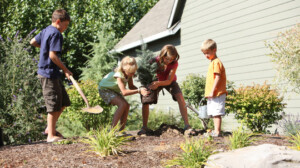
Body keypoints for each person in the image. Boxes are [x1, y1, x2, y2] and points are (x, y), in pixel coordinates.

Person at [30, 9, 72, 142]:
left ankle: (50, 129)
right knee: (53, 105)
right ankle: (50, 136)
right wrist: (65, 69)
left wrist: (44, 47)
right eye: (65, 25)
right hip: (48, 73)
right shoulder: (56, 34)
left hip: (52, 73)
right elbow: (52, 55)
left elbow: (32, 42)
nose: (65, 29)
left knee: (64, 102)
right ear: (58, 22)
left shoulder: (46, 30)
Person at [138, 44, 193, 135]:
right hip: (156, 80)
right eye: (167, 59)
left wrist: (159, 83)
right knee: (145, 98)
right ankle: (144, 127)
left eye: (171, 59)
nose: (169, 61)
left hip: (168, 81)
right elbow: (144, 72)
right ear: (162, 55)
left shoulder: (174, 63)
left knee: (179, 96)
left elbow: (169, 80)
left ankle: (187, 125)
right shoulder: (153, 61)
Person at [99, 56, 149, 131]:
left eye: (133, 72)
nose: (132, 74)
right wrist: (139, 90)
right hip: (104, 90)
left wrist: (142, 90)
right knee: (122, 104)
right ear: (124, 69)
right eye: (130, 72)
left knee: (127, 105)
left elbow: (131, 86)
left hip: (113, 91)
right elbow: (124, 92)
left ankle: (121, 131)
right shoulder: (118, 75)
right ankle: (111, 131)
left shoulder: (128, 74)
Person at [201, 39, 227, 137]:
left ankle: (217, 132)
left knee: (217, 113)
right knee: (213, 112)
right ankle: (216, 131)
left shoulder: (216, 62)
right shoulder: (212, 62)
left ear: (214, 50)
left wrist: (212, 90)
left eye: (207, 53)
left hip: (217, 92)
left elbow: (217, 77)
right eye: (204, 54)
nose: (206, 56)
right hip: (213, 93)